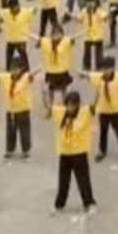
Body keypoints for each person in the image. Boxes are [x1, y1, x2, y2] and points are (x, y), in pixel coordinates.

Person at [43, 86, 97, 215]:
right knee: (63, 181)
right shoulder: (60, 112)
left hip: (79, 152)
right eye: (68, 105)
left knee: (83, 180)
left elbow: (94, 105)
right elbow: (49, 107)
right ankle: (59, 205)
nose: (70, 108)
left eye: (72, 105)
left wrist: (98, 89)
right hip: (65, 153)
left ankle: (89, 203)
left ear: (77, 105)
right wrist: (44, 93)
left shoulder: (84, 112)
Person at [80, 57, 118, 163]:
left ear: (113, 68)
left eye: (108, 69)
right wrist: (82, 73)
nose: (106, 71)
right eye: (104, 69)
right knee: (103, 132)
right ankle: (102, 151)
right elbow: (89, 76)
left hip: (116, 111)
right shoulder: (98, 78)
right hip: (103, 111)